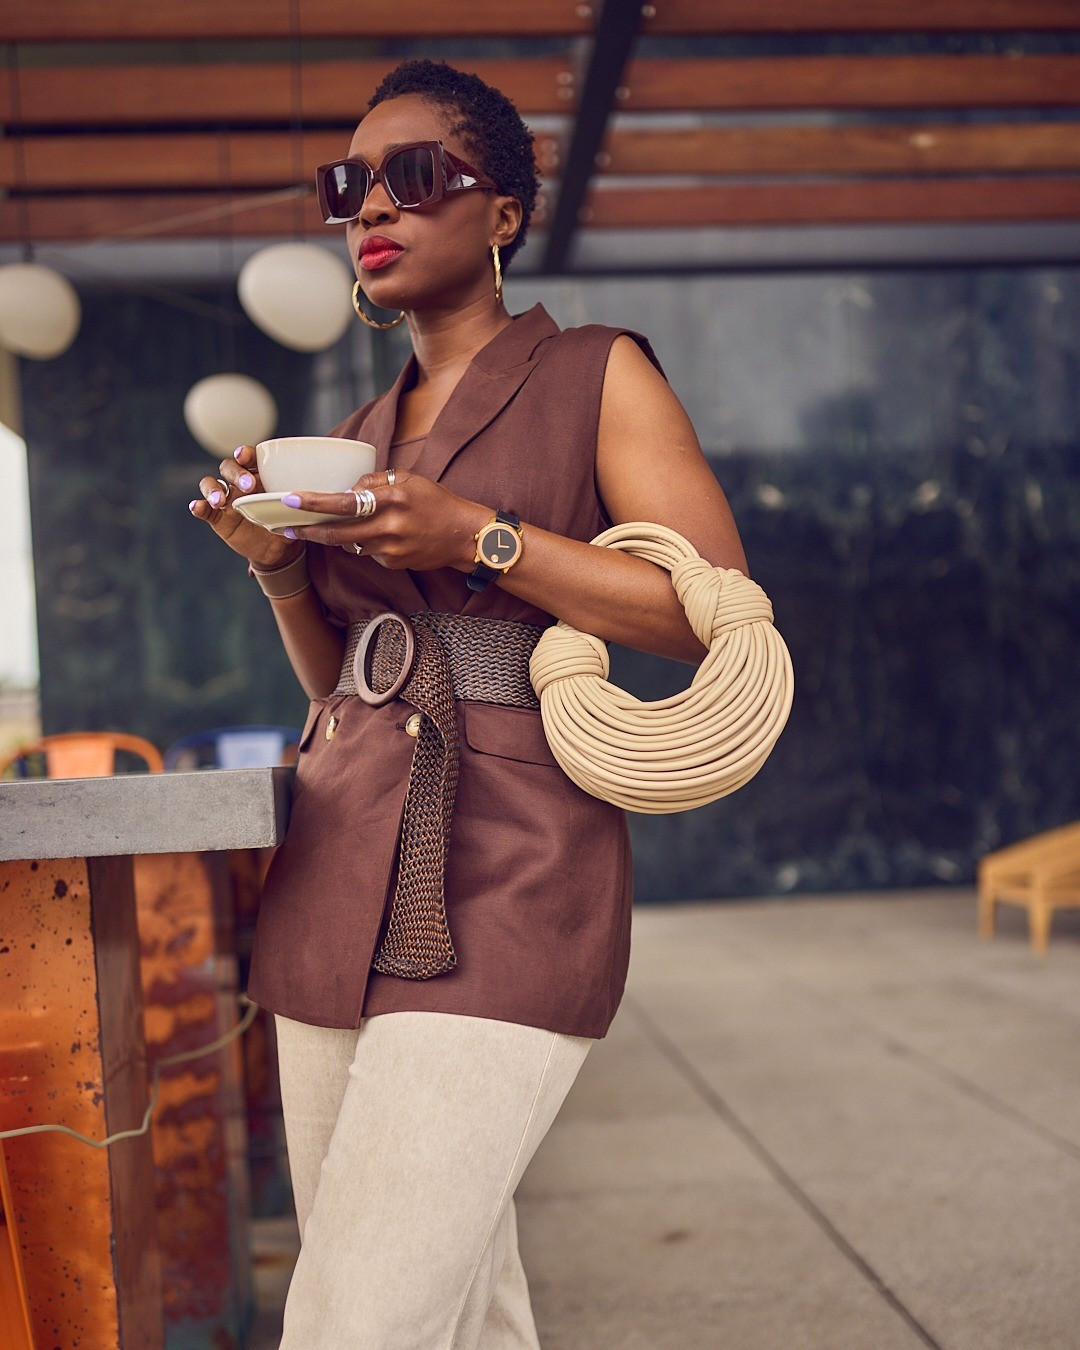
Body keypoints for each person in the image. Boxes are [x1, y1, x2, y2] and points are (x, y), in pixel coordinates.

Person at [189, 58, 747, 1350]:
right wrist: (281, 571)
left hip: (512, 864)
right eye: (348, 183)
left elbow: (709, 606)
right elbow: (346, 684)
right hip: (336, 866)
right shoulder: (355, 433)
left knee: (354, 1317)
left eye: (415, 175)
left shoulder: (598, 374)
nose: (369, 206)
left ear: (502, 212)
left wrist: (480, 535)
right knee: (455, 1309)